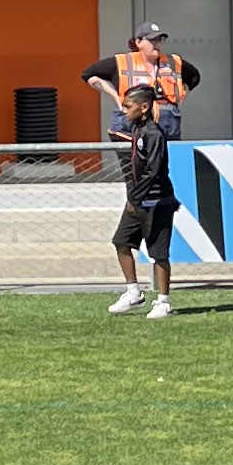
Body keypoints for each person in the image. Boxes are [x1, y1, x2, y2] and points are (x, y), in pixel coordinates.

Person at [84, 54, 179, 321]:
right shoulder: (136, 131)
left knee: (159, 253)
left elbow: (155, 171)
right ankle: (133, 292)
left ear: (144, 107)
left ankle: (163, 301)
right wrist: (133, 198)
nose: (124, 111)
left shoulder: (154, 134)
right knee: (122, 242)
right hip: (137, 201)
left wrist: (136, 199)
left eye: (128, 107)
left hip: (157, 201)